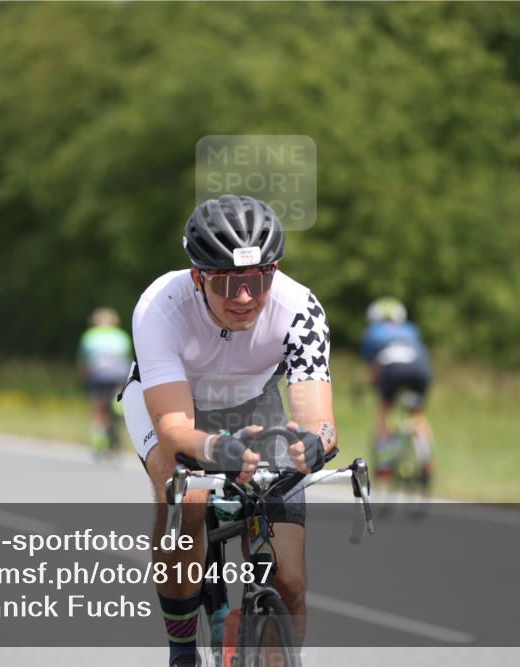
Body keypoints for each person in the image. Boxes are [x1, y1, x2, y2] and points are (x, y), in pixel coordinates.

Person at [120, 195, 336, 667]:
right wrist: (218, 448)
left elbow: (319, 421)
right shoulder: (161, 306)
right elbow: (175, 429)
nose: (243, 297)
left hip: (254, 404)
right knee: (187, 499)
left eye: (257, 280)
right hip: (176, 404)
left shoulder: (300, 308)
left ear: (274, 272)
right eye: (226, 282)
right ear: (198, 277)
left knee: (289, 577)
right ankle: (182, 650)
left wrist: (313, 444)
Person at [360, 297, 434, 467]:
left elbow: (374, 369)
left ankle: (384, 462)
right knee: (416, 413)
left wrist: (375, 384)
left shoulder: (373, 332)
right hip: (420, 369)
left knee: (384, 411)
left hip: (392, 370)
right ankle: (426, 461)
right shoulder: (411, 329)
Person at [77, 307, 133, 455]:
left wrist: (83, 378)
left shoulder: (90, 336)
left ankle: (98, 436)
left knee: (98, 407)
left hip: (99, 375)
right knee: (117, 392)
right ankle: (118, 401)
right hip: (119, 375)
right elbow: (127, 358)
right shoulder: (121, 336)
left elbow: (83, 361)